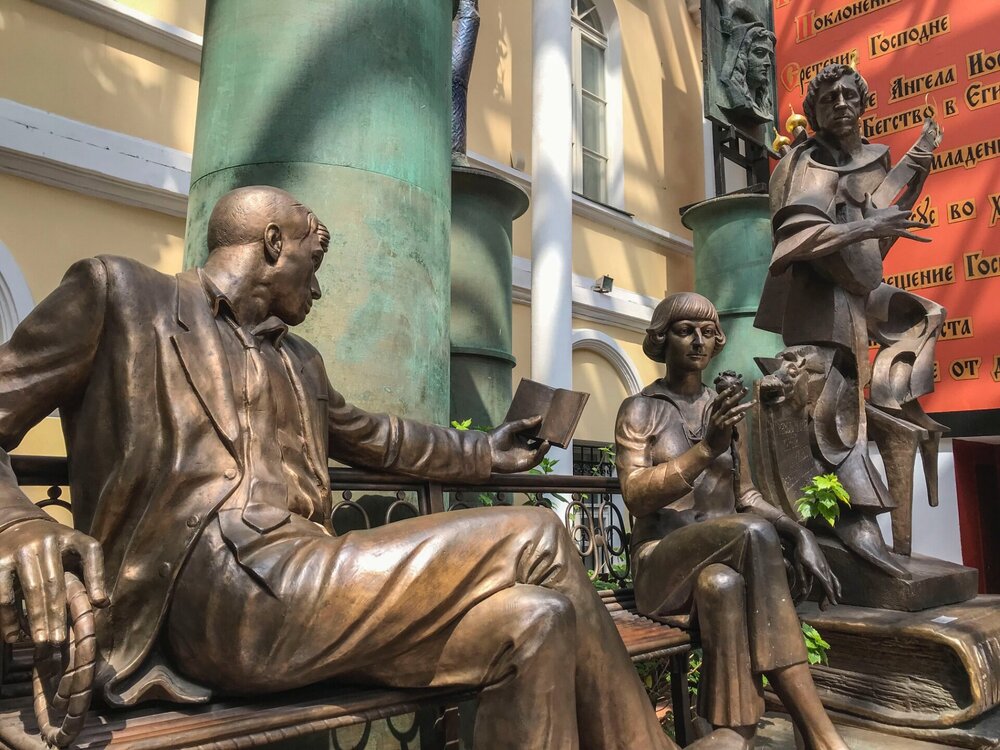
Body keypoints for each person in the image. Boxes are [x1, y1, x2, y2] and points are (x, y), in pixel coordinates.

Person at [0, 186, 745, 749]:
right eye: (314, 262)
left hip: (303, 589)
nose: (319, 287)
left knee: (535, 622)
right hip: (200, 598)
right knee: (537, 536)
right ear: (272, 243)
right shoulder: (120, 296)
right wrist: (20, 527)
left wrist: (489, 450)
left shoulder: (300, 362)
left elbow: (383, 439)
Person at [615, 292, 848, 749]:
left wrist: (799, 531)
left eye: (707, 332)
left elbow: (747, 496)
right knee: (752, 532)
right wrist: (705, 450)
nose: (698, 342)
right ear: (662, 339)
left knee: (721, 584)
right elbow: (636, 496)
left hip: (723, 560)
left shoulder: (725, 410)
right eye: (685, 331)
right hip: (660, 566)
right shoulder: (640, 409)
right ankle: (821, 735)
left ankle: (734, 733)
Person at [754, 63, 944, 577]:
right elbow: (794, 242)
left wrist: (916, 172)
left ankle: (898, 411)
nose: (840, 103)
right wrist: (867, 229)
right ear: (814, 114)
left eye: (848, 95)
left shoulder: (875, 160)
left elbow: (872, 247)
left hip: (856, 297)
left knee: (925, 313)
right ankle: (852, 522)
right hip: (819, 309)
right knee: (832, 417)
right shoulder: (804, 163)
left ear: (862, 104)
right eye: (827, 98)